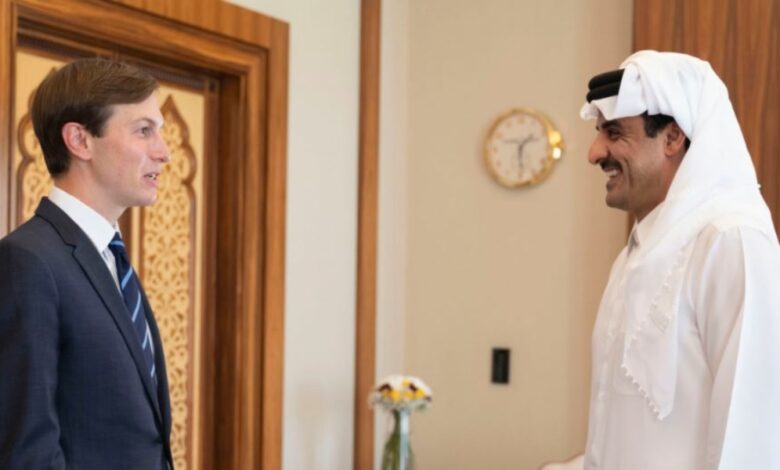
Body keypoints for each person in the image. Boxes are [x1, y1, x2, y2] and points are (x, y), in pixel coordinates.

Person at [581, 50, 780, 470]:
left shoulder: (730, 241)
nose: (595, 152)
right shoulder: (634, 256)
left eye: (614, 133)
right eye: (599, 133)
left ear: (672, 137)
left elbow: (749, 435)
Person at [0, 58, 173, 469]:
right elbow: (27, 453)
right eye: (144, 130)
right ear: (80, 140)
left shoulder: (110, 257)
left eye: (160, 131)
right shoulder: (28, 262)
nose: (164, 152)